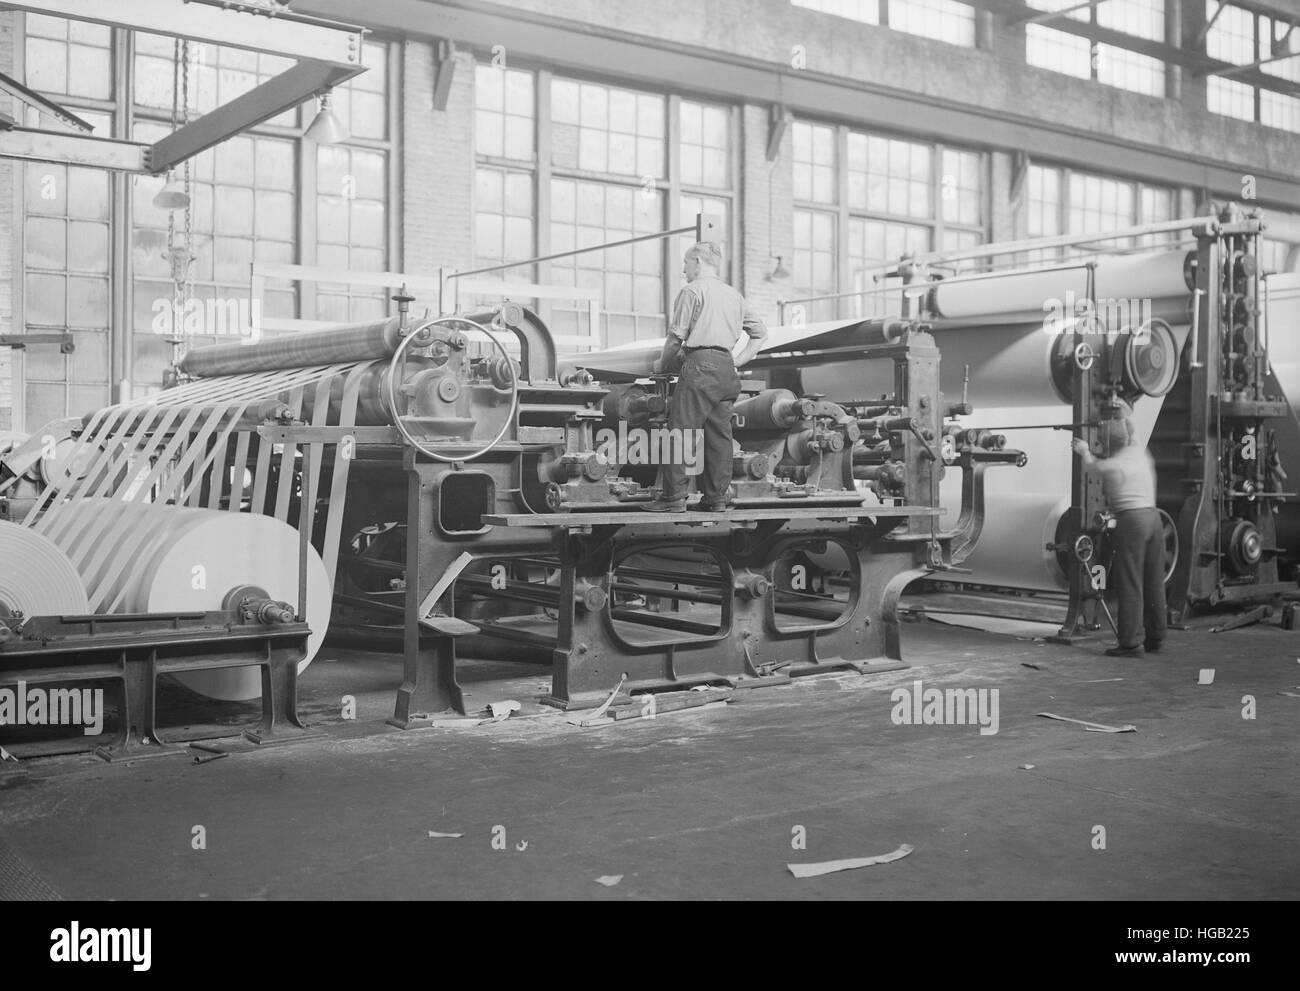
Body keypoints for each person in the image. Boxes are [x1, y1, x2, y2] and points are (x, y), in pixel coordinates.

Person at [644, 242, 768, 513]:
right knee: (719, 436)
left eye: (686, 264)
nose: (684, 269)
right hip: (726, 369)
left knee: (681, 432)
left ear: (698, 262)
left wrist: (661, 367)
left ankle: (674, 497)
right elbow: (760, 333)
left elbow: (676, 338)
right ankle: (716, 498)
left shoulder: (692, 291)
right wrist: (737, 360)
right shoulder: (734, 296)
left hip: (700, 367)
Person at [1071, 411, 1167, 657]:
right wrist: (1121, 409)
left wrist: (1083, 450)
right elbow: (1133, 431)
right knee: (1153, 581)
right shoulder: (1139, 451)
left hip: (1132, 522)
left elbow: (1091, 467)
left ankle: (1131, 644)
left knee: (1131, 582)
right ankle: (1155, 639)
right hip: (1154, 519)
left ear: (1107, 445)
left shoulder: (1111, 465)